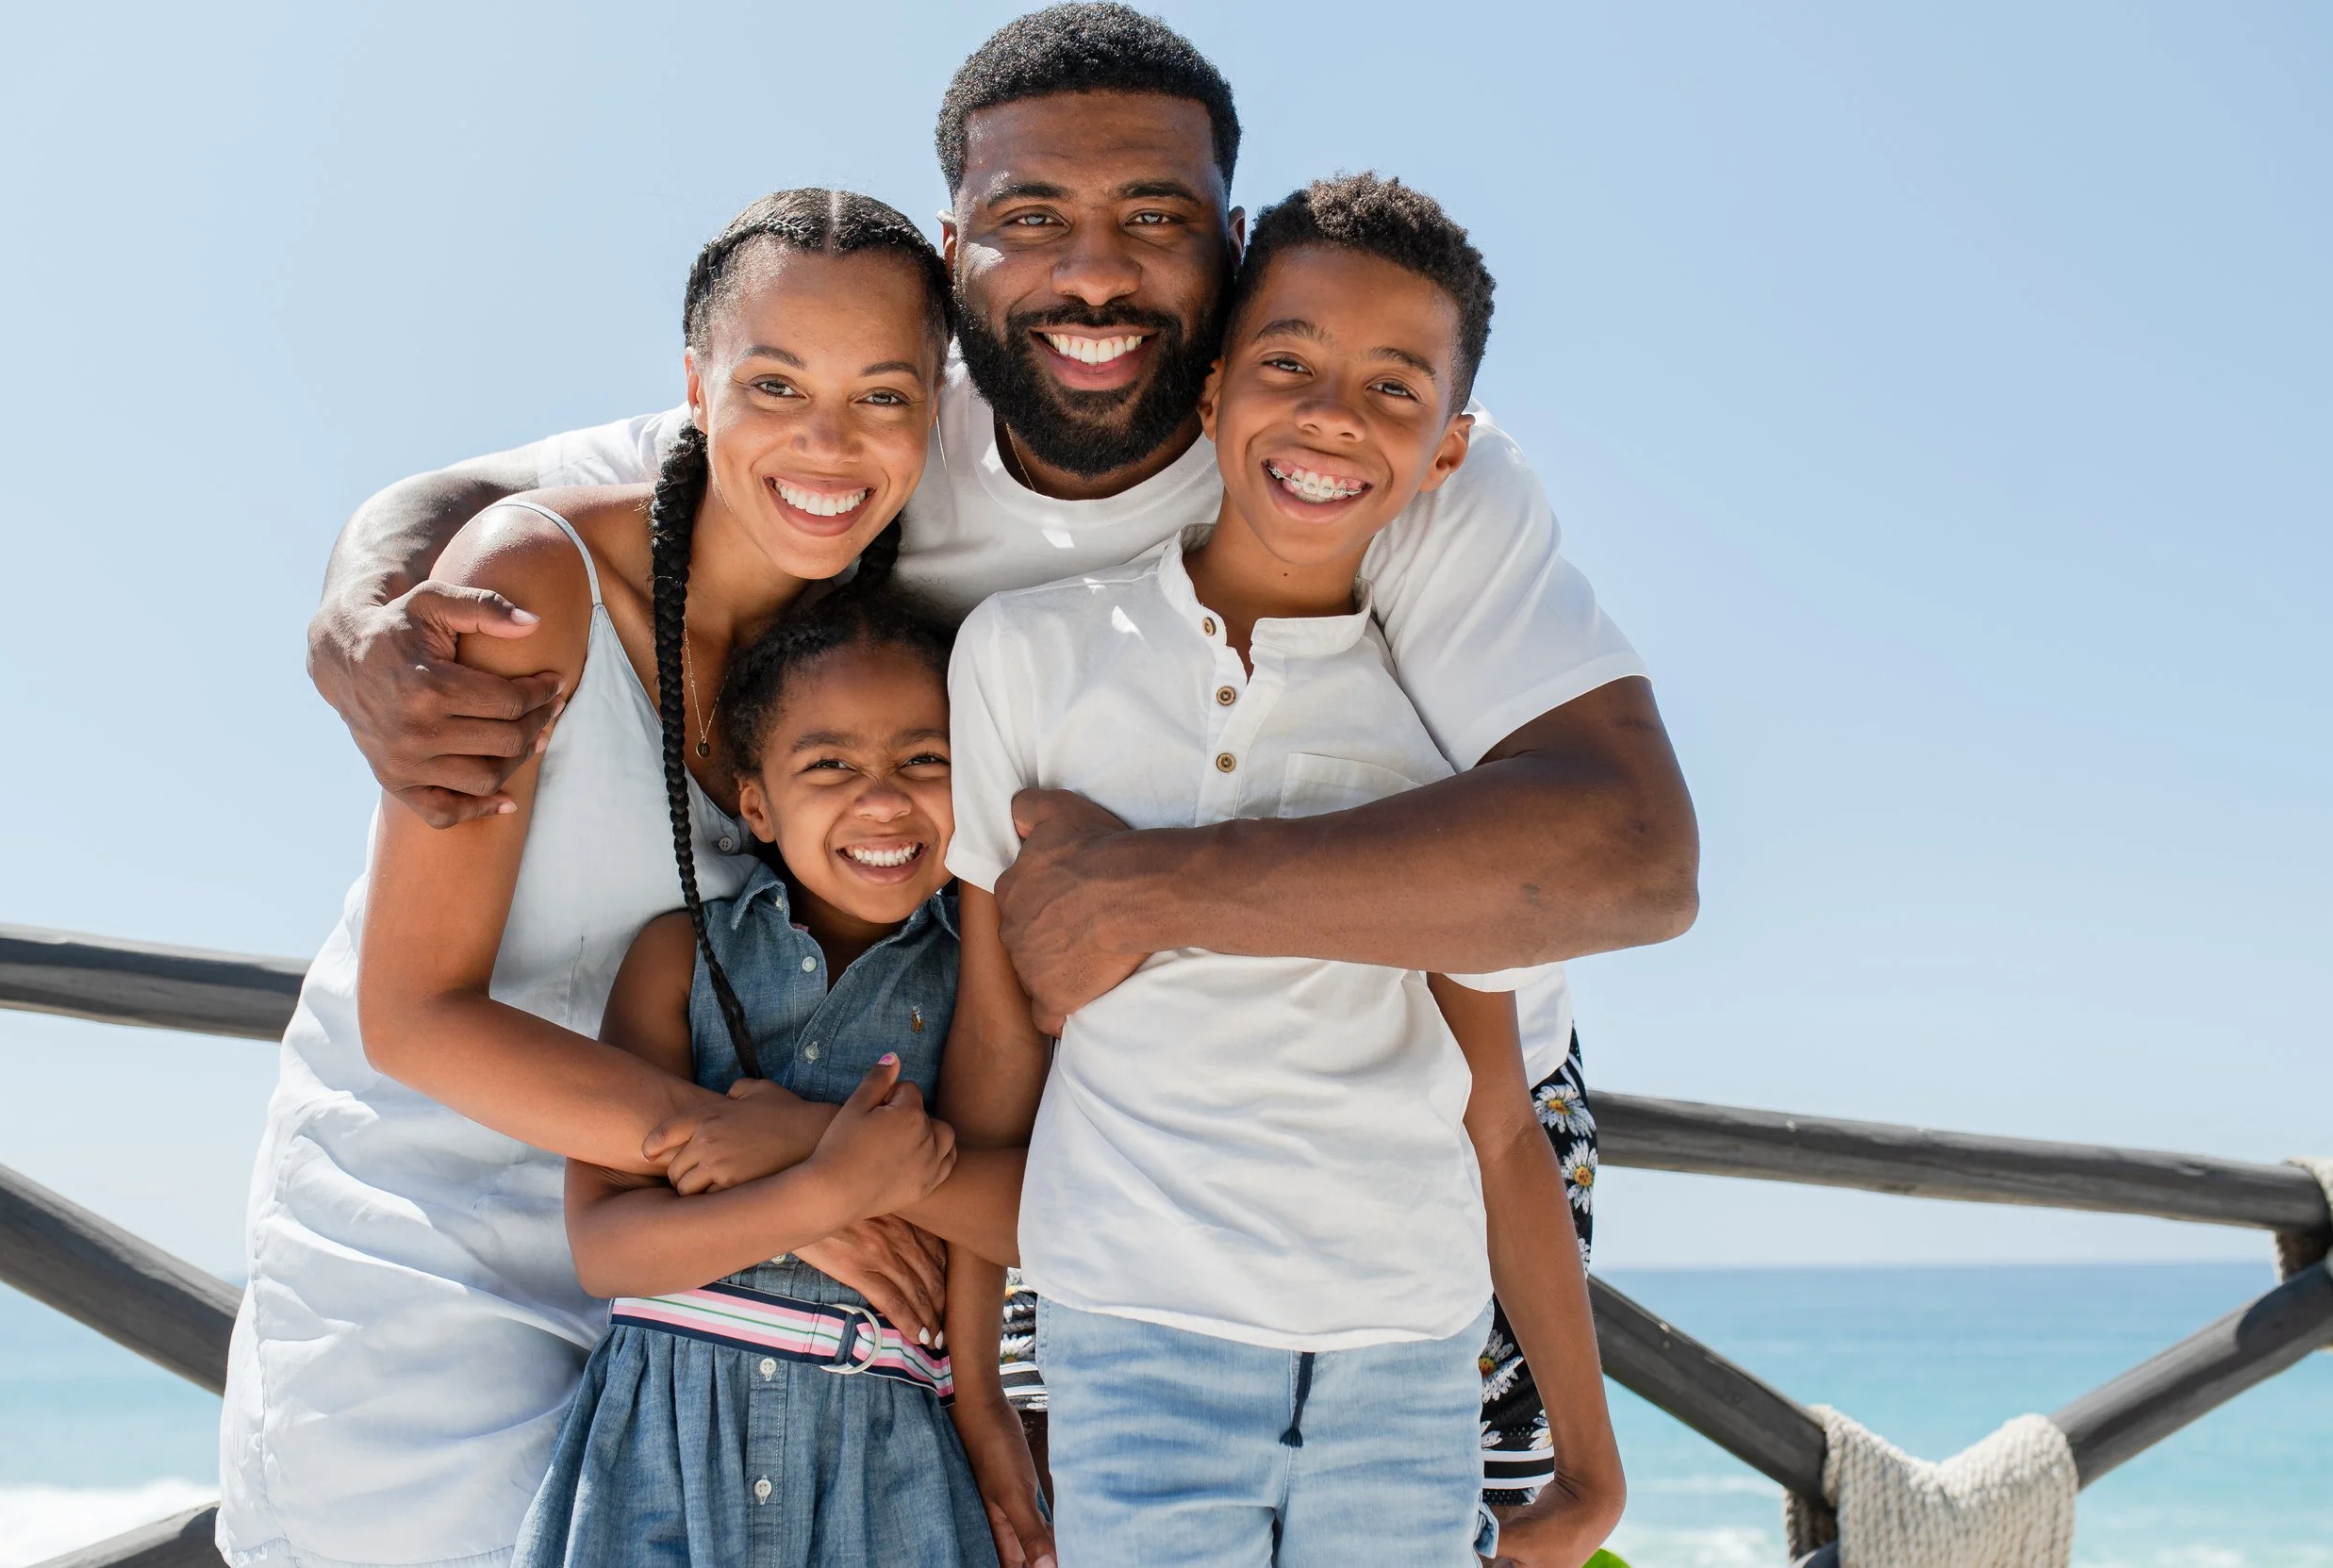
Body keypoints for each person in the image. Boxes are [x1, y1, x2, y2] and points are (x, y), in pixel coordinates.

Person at [298, 2, 1697, 1548]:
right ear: (957, 250)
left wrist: (1156, 891)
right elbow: (516, 488)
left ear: (1229, 243)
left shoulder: (1390, 446)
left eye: (1152, 221)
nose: (1092, 273)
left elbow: (1636, 851)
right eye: (1031, 221)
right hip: (1116, 1146)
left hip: (1439, 1125)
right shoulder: (886, 425)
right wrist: (362, 600)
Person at [220, 190, 985, 1568]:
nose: (829, 441)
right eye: (773, 385)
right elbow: (415, 1012)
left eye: (883, 392)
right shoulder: (533, 582)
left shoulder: (856, 663)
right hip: (436, 1242)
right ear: (694, 387)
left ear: (939, 407)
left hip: (701, 1273)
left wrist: (787, 1190)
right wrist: (791, 1158)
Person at [939, 173, 1624, 1568]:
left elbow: (1495, 1114)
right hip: (1135, 1337)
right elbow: (997, 1046)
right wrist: (976, 1377)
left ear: (1448, 453)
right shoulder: (1025, 654)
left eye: (1393, 388)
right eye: (1290, 364)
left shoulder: (1441, 740)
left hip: (1405, 1353)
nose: (1330, 416)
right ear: (1210, 395)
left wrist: (1591, 1462)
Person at [517, 593, 1008, 1568]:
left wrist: (792, 1136)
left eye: (925, 760)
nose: (881, 798)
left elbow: (1028, 1215)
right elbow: (608, 1248)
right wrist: (826, 1187)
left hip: (885, 1450)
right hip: (659, 1440)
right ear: (754, 803)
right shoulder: (677, 958)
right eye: (830, 765)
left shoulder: (980, 984)